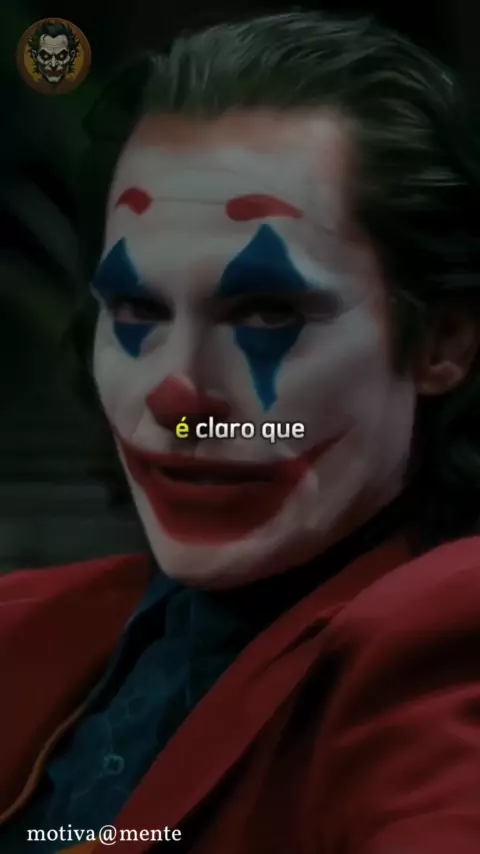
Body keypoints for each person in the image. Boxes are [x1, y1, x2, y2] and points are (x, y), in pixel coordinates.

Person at [2, 10, 480, 853]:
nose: (177, 396)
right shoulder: (34, 623)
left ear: (442, 340)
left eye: (267, 312)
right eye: (137, 309)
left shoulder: (442, 640)